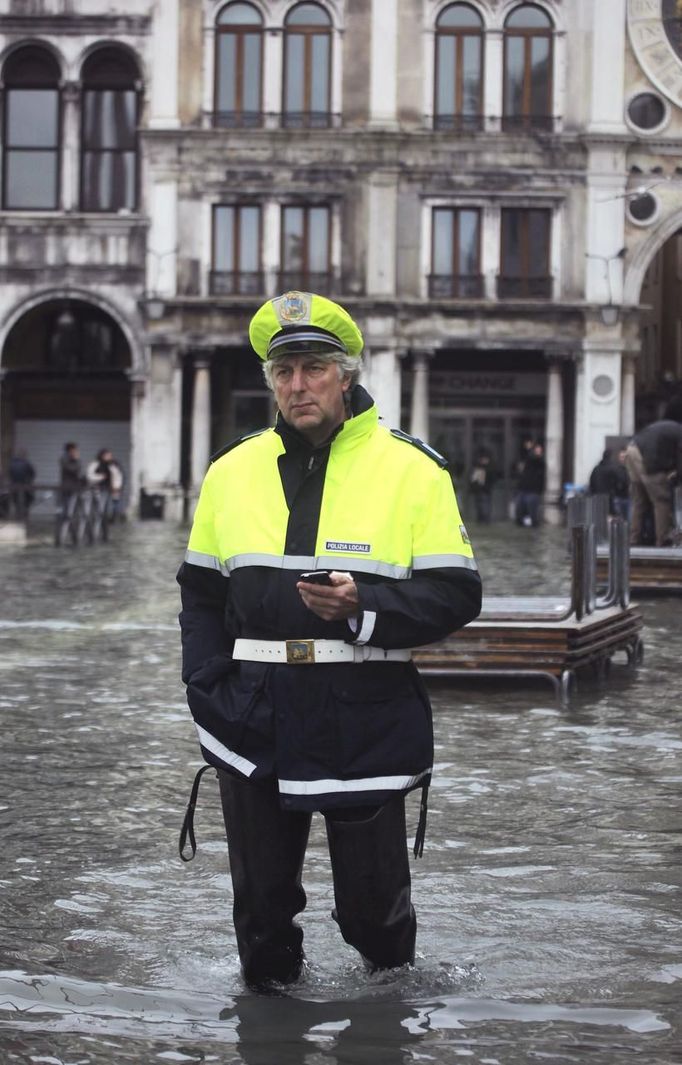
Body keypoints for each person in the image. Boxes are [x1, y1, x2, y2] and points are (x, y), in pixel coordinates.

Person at [177, 291, 482, 991]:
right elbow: (199, 592)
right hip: (250, 714)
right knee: (260, 922)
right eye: (283, 372)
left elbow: (457, 594)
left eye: (313, 368)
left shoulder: (414, 470)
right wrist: (204, 686)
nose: (297, 385)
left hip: (366, 713)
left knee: (377, 921)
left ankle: (383, 1036)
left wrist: (363, 604)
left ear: (345, 375)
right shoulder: (230, 471)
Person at [624, 398, 682, 546]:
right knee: (662, 500)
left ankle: (634, 539)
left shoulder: (669, 427)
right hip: (646, 457)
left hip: (631, 450)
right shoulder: (679, 432)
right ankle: (663, 540)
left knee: (639, 501)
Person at [588, 448, 630, 520]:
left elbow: (591, 484)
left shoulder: (596, 469)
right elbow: (623, 481)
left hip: (597, 500)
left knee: (600, 520)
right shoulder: (614, 469)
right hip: (611, 500)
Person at [514, 441, 545, 527]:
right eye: (537, 450)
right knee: (519, 514)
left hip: (533, 491)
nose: (538, 452)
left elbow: (536, 460)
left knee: (533, 515)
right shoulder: (528, 460)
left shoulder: (540, 462)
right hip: (523, 490)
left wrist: (531, 449)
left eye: (539, 450)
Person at [469, 449, 496, 523]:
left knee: (485, 505)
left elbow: (491, 479)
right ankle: (481, 519)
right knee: (480, 505)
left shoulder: (489, 468)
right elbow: (474, 479)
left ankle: (485, 519)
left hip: (485, 490)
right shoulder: (479, 467)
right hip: (479, 489)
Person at [8, 449, 35, 519]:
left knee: (16, 502)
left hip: (14, 486)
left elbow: (10, 474)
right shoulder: (26, 463)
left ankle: (17, 516)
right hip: (25, 485)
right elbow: (32, 473)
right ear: (24, 455)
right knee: (28, 500)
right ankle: (25, 516)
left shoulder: (12, 463)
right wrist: (29, 481)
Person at [59, 442, 83, 510]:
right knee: (67, 503)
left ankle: (70, 518)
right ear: (70, 450)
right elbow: (72, 469)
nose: (76, 451)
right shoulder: (64, 458)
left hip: (75, 485)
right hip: (67, 485)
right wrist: (77, 460)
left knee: (73, 504)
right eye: (75, 449)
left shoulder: (73, 458)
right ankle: (65, 519)